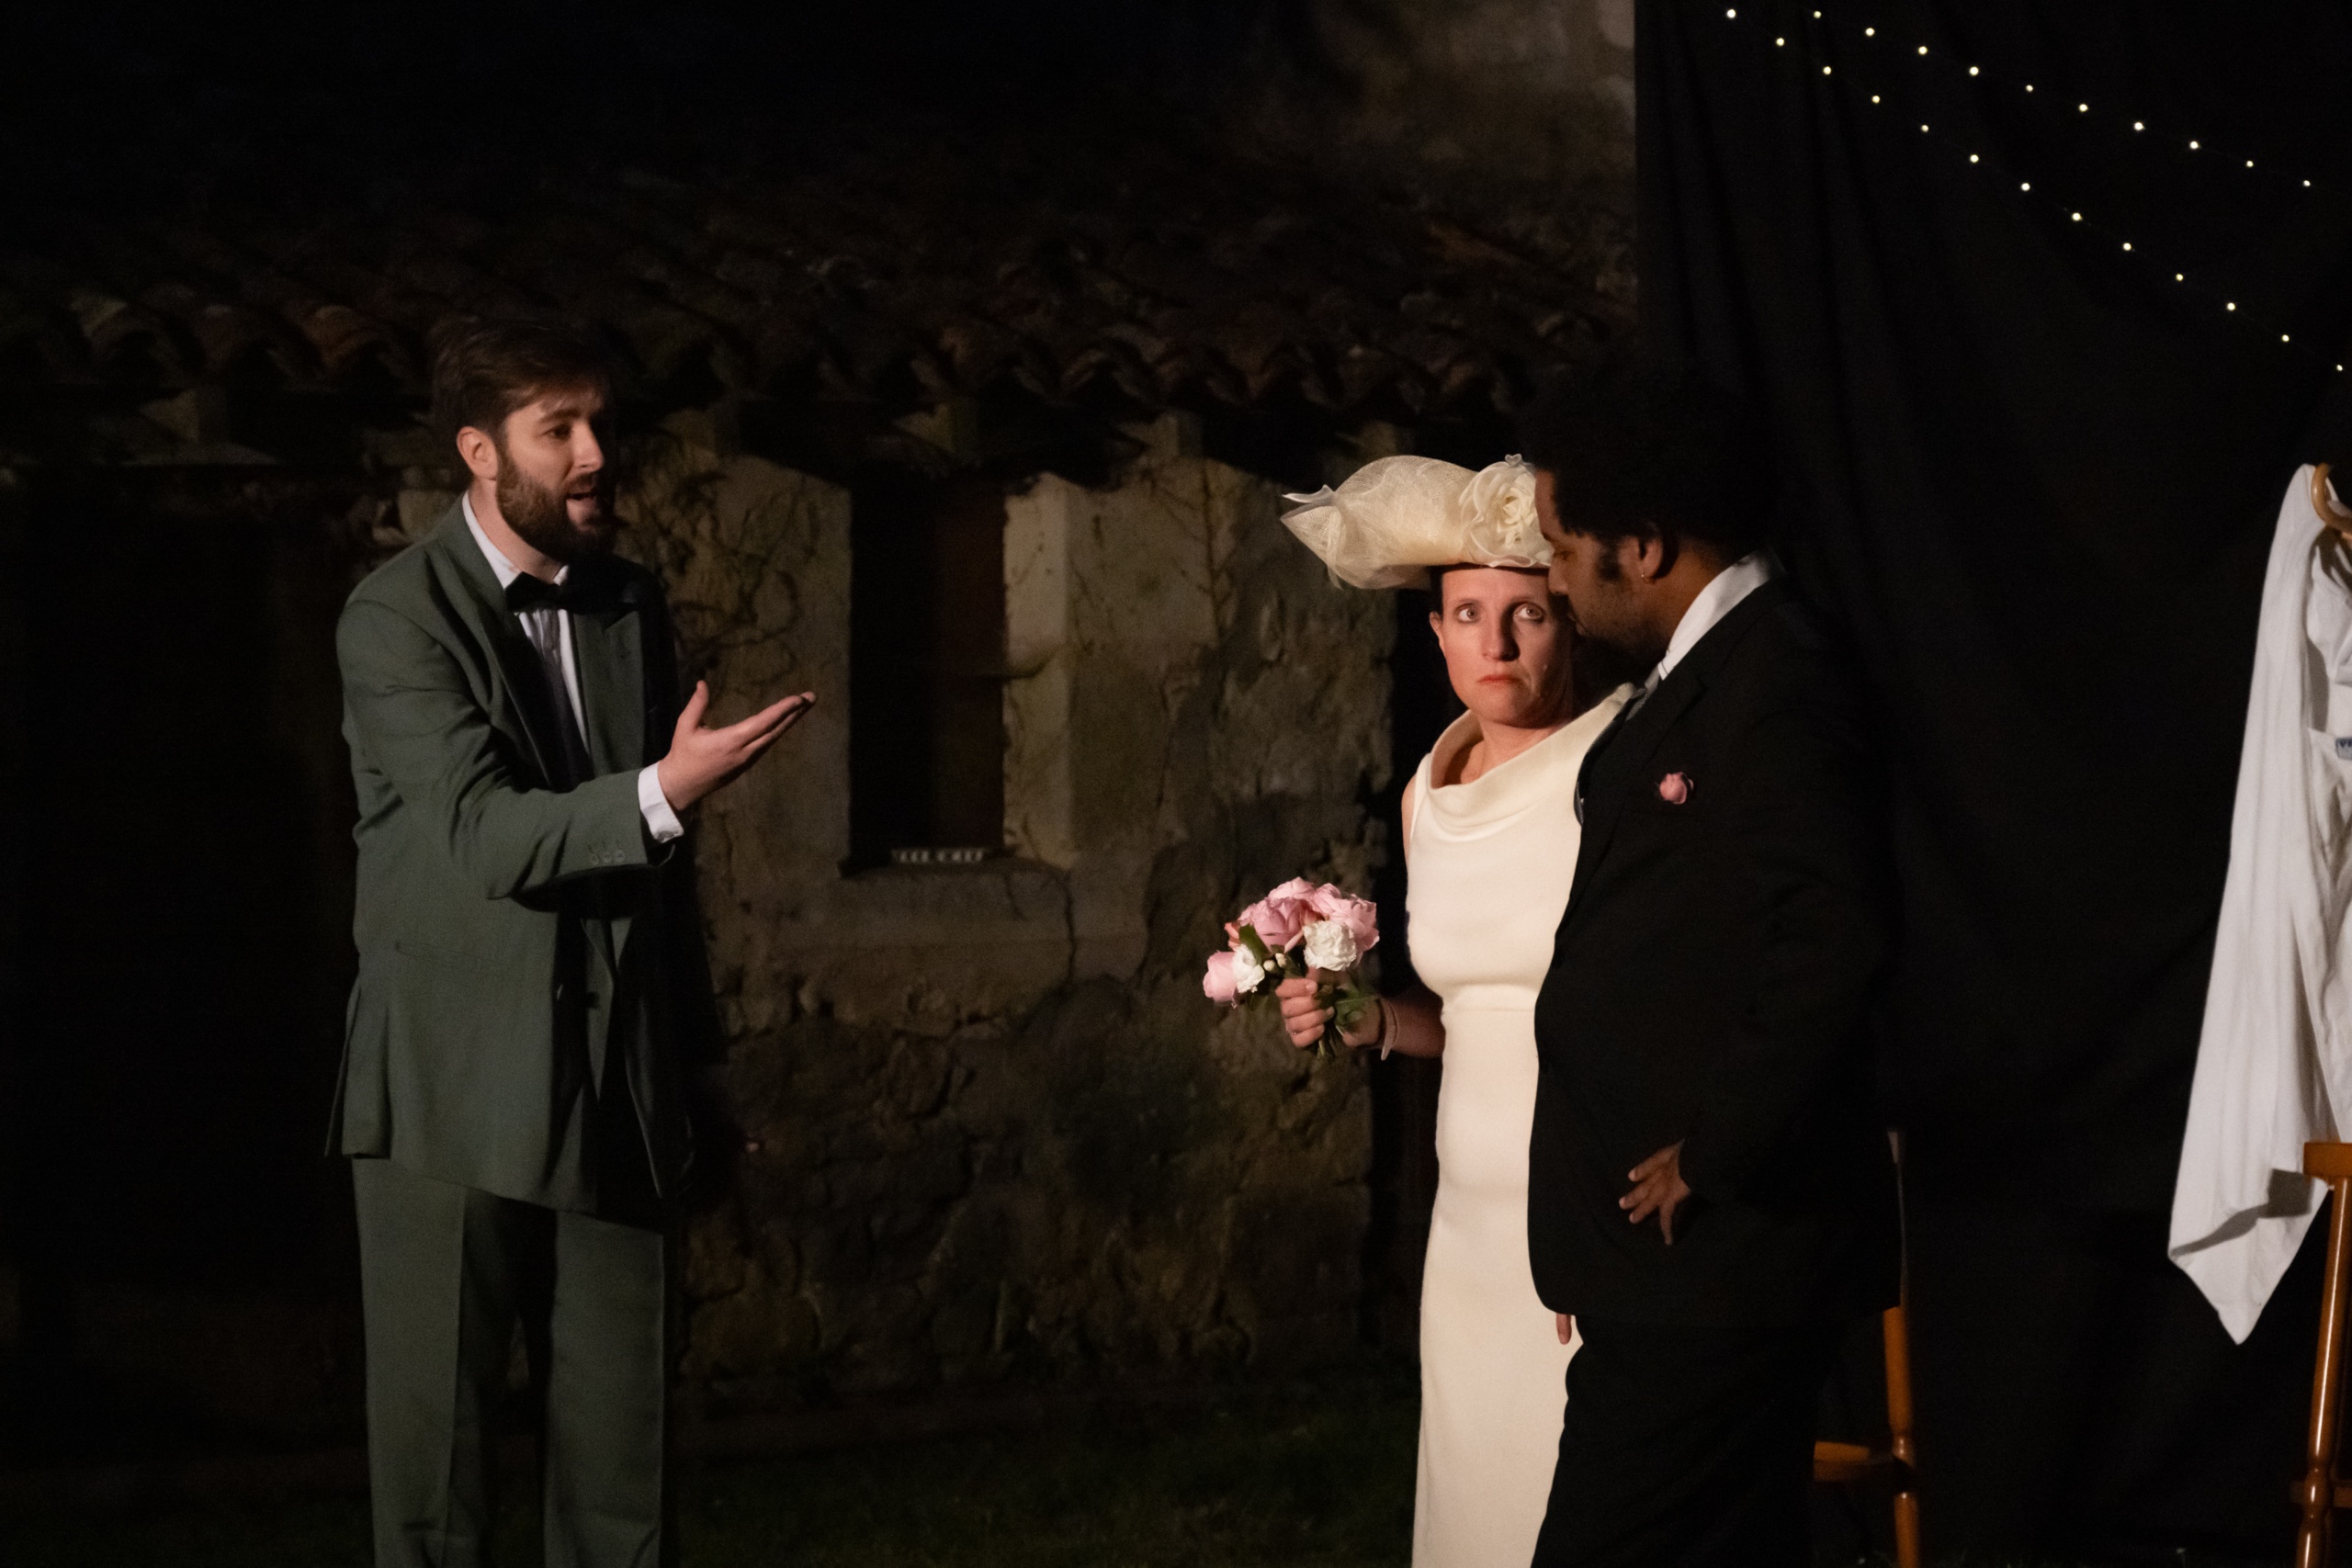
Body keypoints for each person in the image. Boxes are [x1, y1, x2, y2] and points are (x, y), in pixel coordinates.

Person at [329, 315, 813, 1566]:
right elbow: (483, 835)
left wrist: (692, 1063)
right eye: (560, 430)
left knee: (621, 1473)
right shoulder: (392, 617)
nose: (597, 453)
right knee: (436, 1485)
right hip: (448, 1085)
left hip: (619, 1084)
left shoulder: (626, 601)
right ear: (479, 451)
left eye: (602, 422)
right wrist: (665, 788)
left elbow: (663, 873)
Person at [1518, 362, 1897, 1568]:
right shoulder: (1698, 677)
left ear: (1641, 546)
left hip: (1717, 1260)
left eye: (1562, 549)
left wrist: (1716, 1151)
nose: (1553, 579)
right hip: (1663, 1267)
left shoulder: (1778, 678)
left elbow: (1832, 932)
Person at [1274, 454, 1634, 1568]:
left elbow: (1652, 1010)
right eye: (1470, 615)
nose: (1498, 643)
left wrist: (1597, 1224)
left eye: (1527, 614)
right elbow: (1473, 1014)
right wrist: (1371, 1020)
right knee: (1476, 1506)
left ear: (1569, 624)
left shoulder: (1617, 764)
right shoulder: (1430, 792)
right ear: (1435, 634)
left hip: (1582, 1210)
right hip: (1469, 1224)